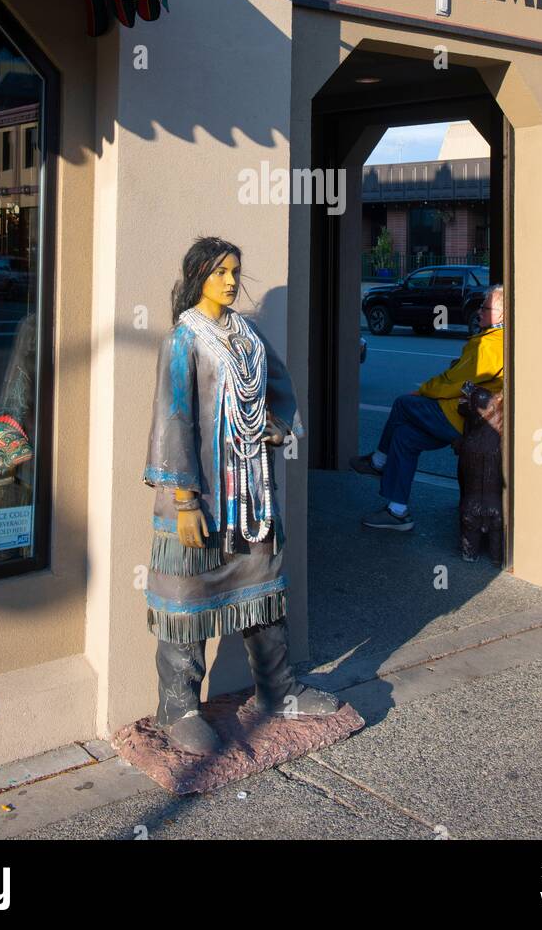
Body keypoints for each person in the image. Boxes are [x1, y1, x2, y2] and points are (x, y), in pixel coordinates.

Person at [143, 236, 338, 755]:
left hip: (252, 491)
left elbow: (278, 384)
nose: (231, 281)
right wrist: (184, 500)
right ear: (197, 276)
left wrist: (275, 426)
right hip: (202, 496)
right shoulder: (182, 340)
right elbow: (173, 419)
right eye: (220, 272)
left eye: (235, 271)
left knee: (263, 587)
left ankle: (277, 690)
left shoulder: (246, 334)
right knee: (188, 598)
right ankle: (178, 706)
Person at [350, 284, 504, 532]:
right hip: (467, 418)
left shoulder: (490, 346)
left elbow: (453, 382)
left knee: (403, 404)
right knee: (404, 437)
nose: (479, 312)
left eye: (485, 308)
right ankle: (397, 512)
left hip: (456, 417)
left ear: (501, 314)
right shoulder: (494, 341)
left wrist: (422, 391)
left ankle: (378, 462)